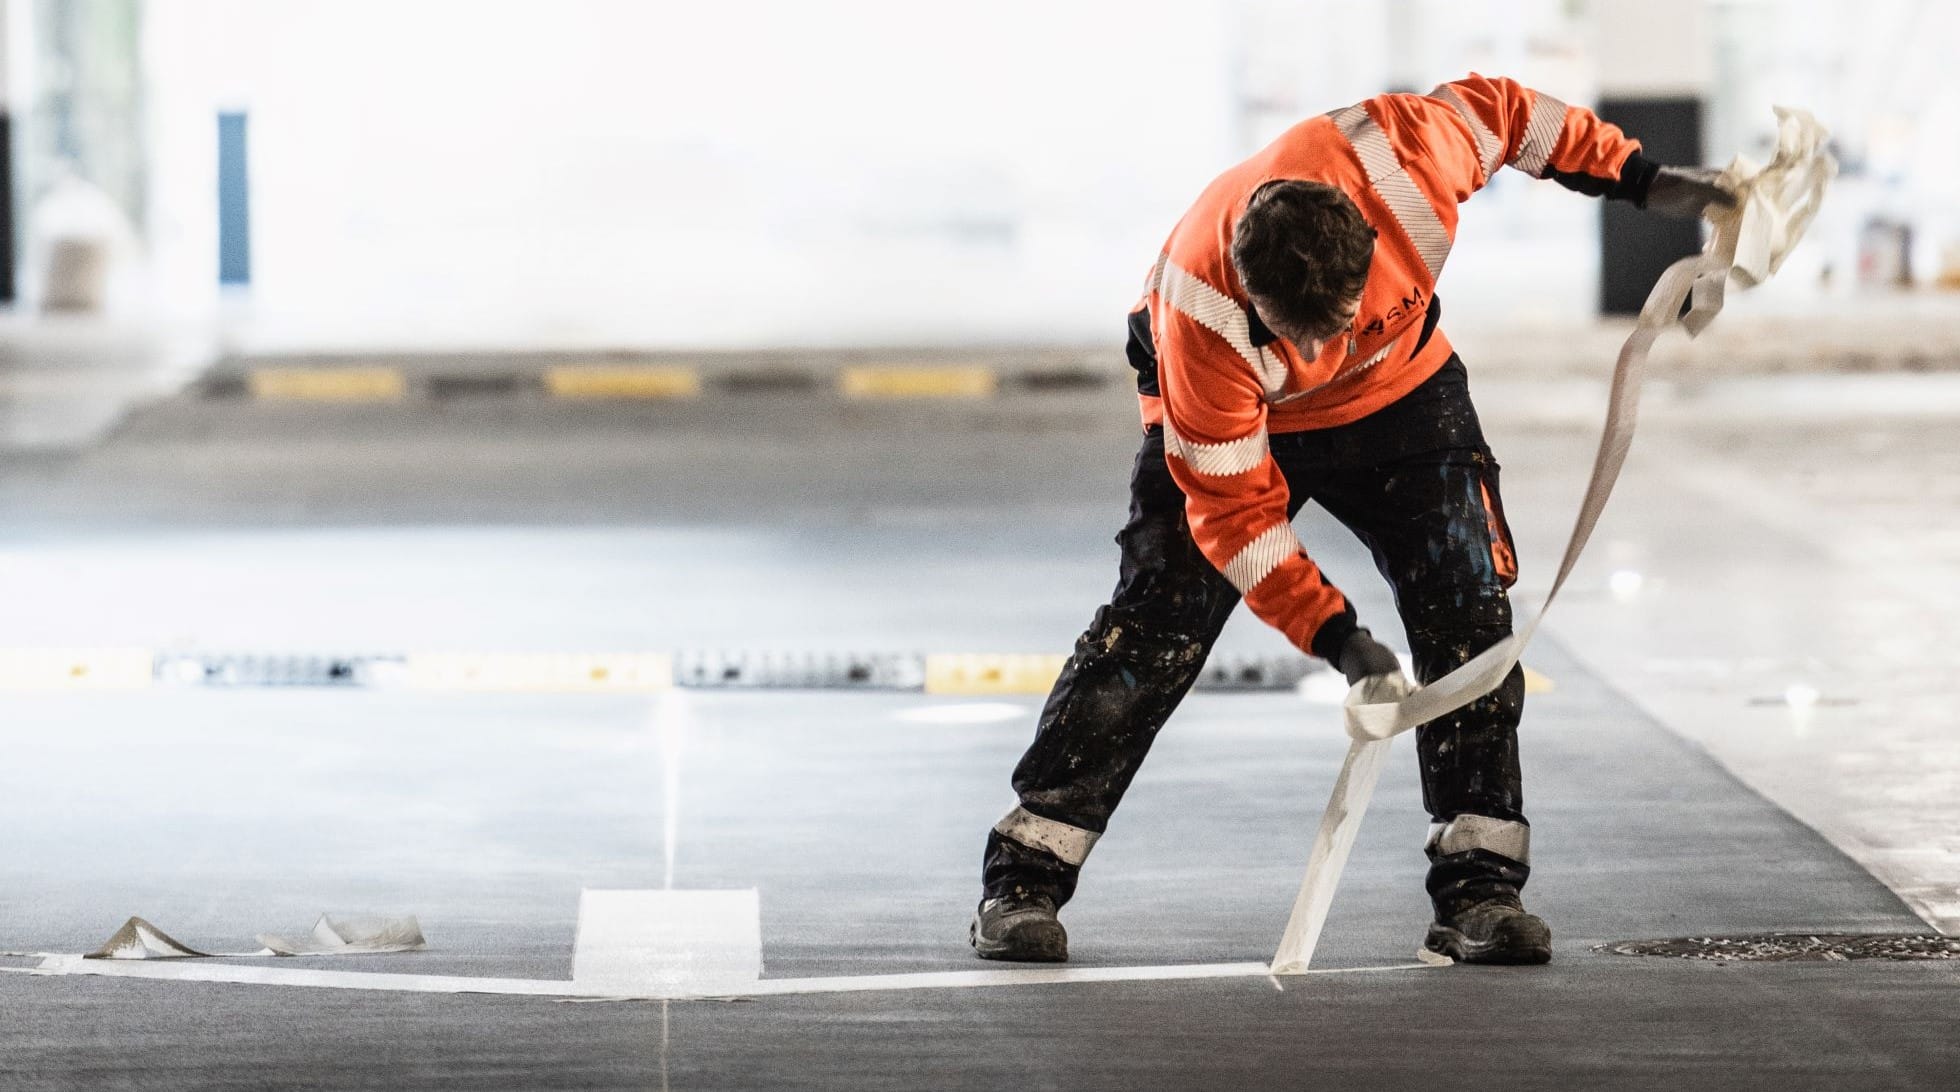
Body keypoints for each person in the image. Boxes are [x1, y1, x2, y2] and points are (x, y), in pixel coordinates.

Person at [972, 74, 1733, 966]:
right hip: (1245, 423)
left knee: (1468, 611)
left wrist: (1643, 178)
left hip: (1402, 394)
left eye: (1326, 330)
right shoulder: (1200, 316)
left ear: (1370, 244)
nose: (1311, 360)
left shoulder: (1405, 162)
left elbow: (1516, 116)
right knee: (1156, 627)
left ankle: (1480, 892)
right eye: (1289, 338)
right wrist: (1336, 636)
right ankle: (1025, 876)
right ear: (1250, 292)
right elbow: (1236, 517)